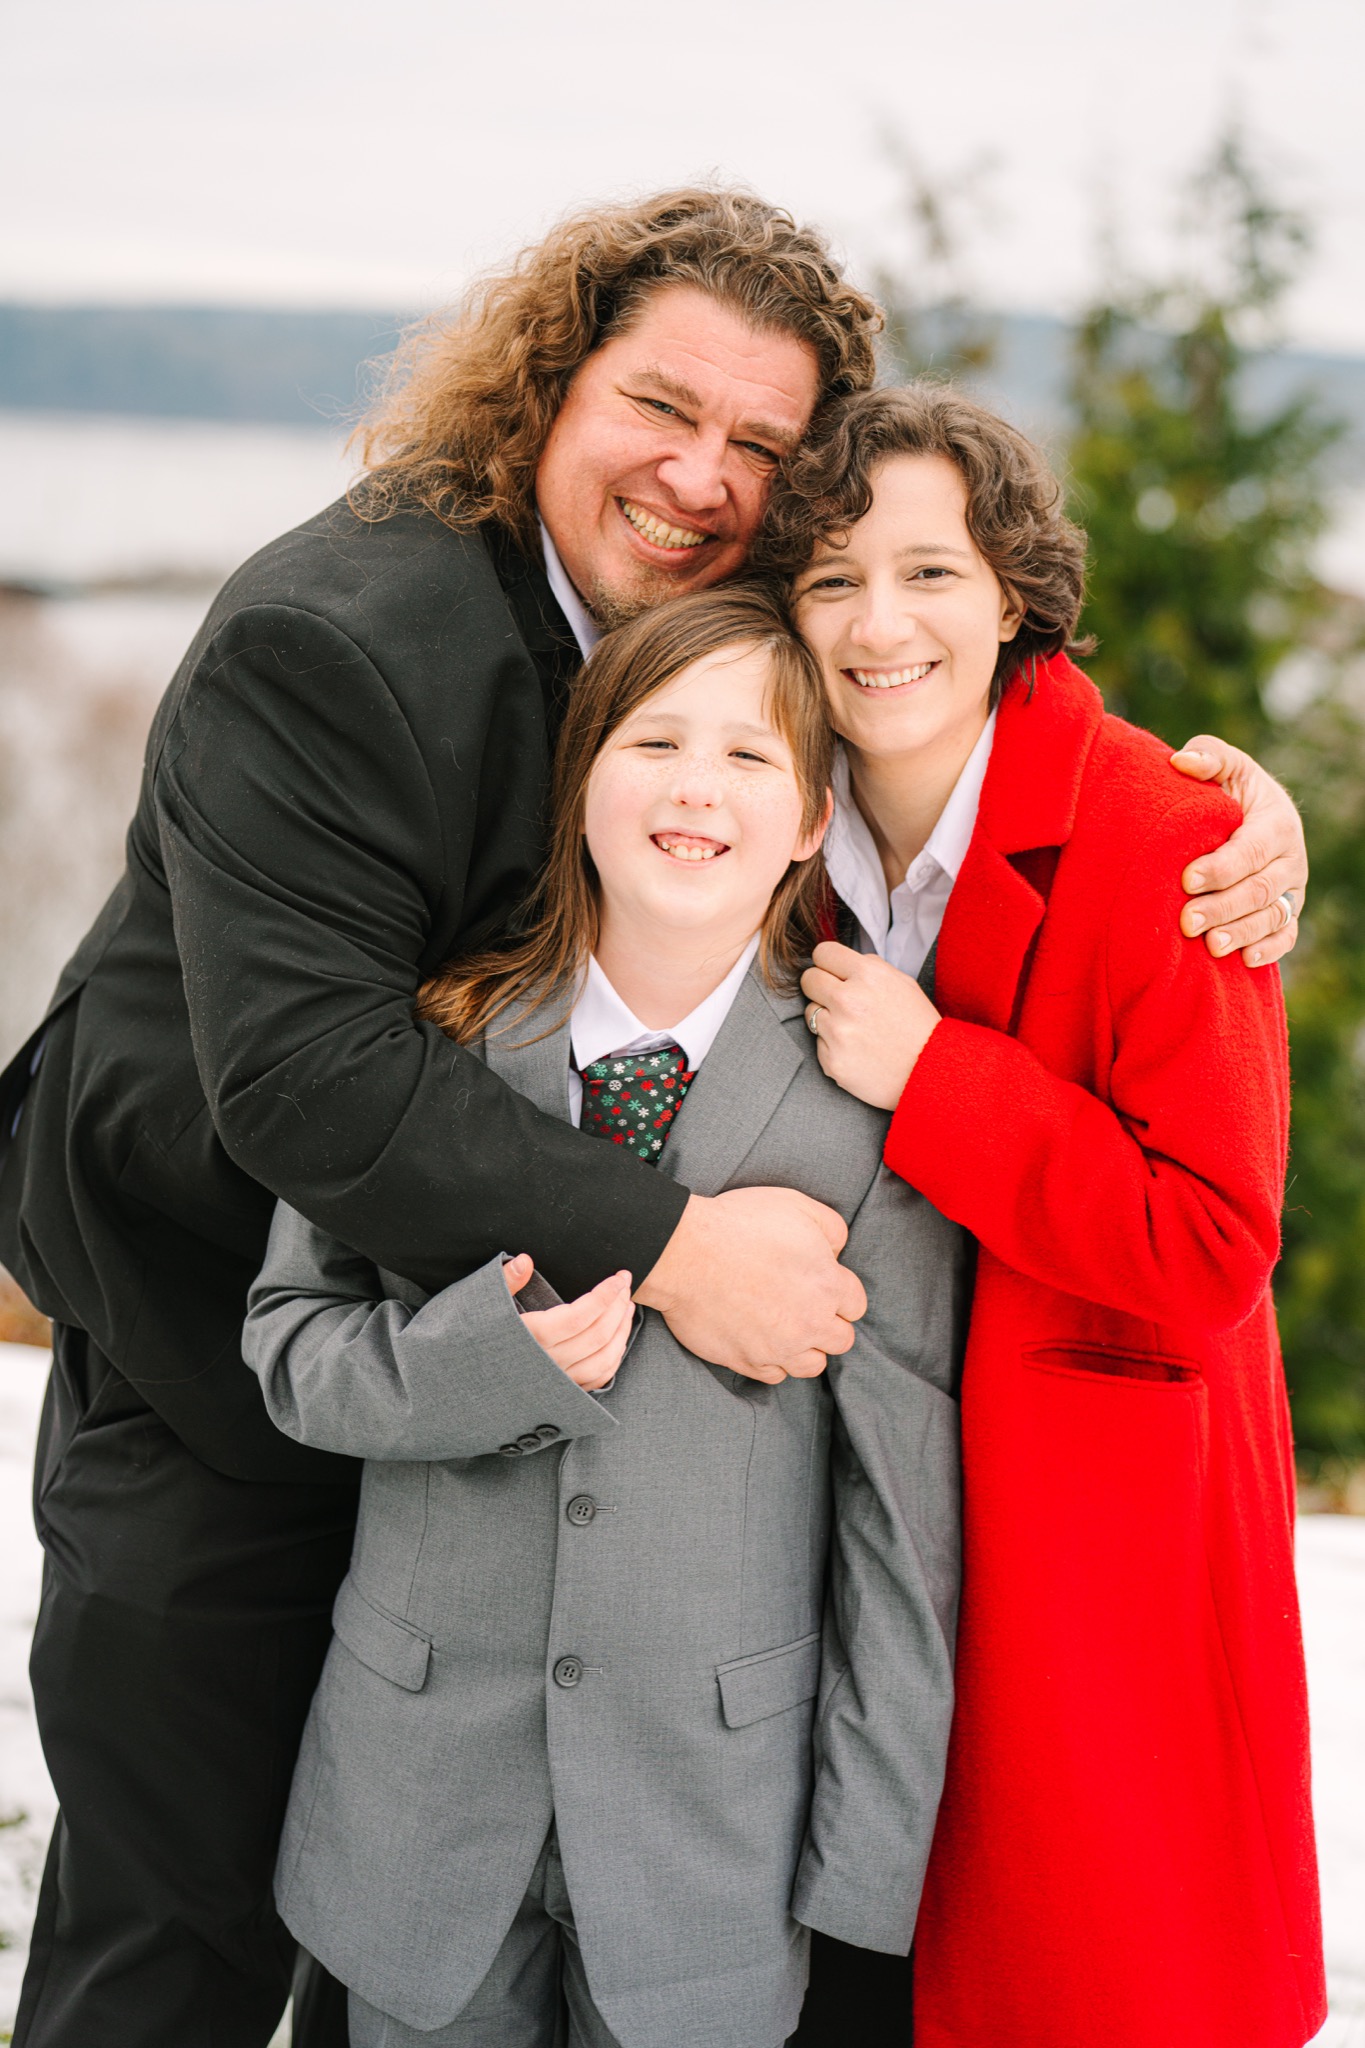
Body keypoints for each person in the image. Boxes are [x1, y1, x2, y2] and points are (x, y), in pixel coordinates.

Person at [0, 185, 1307, 2048]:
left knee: (429, 1901)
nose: (700, 475)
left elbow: (933, 660)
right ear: (548, 384)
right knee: (182, 1930)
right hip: (212, 1327)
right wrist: (684, 1251)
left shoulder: (720, 619)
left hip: (540, 1463)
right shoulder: (336, 631)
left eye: (760, 445)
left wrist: (1225, 807)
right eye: (657, 406)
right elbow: (311, 1082)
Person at [241, 585, 965, 2048]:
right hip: (416, 1804)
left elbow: (902, 1515)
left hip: (713, 1828)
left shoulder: (870, 1101)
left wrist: (869, 1865)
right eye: (654, 742)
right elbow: (289, 1345)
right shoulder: (431, 1044)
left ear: (814, 819)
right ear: (582, 777)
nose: (697, 787)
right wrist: (466, 1367)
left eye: (753, 758)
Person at [760, 384, 1325, 2048]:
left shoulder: (1172, 842)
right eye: (830, 578)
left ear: (1011, 593)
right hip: (836, 1491)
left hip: (1086, 1517)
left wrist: (937, 1080)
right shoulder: (774, 812)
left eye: (930, 573)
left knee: (1077, 1974)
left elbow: (1208, 1245)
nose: (880, 626)